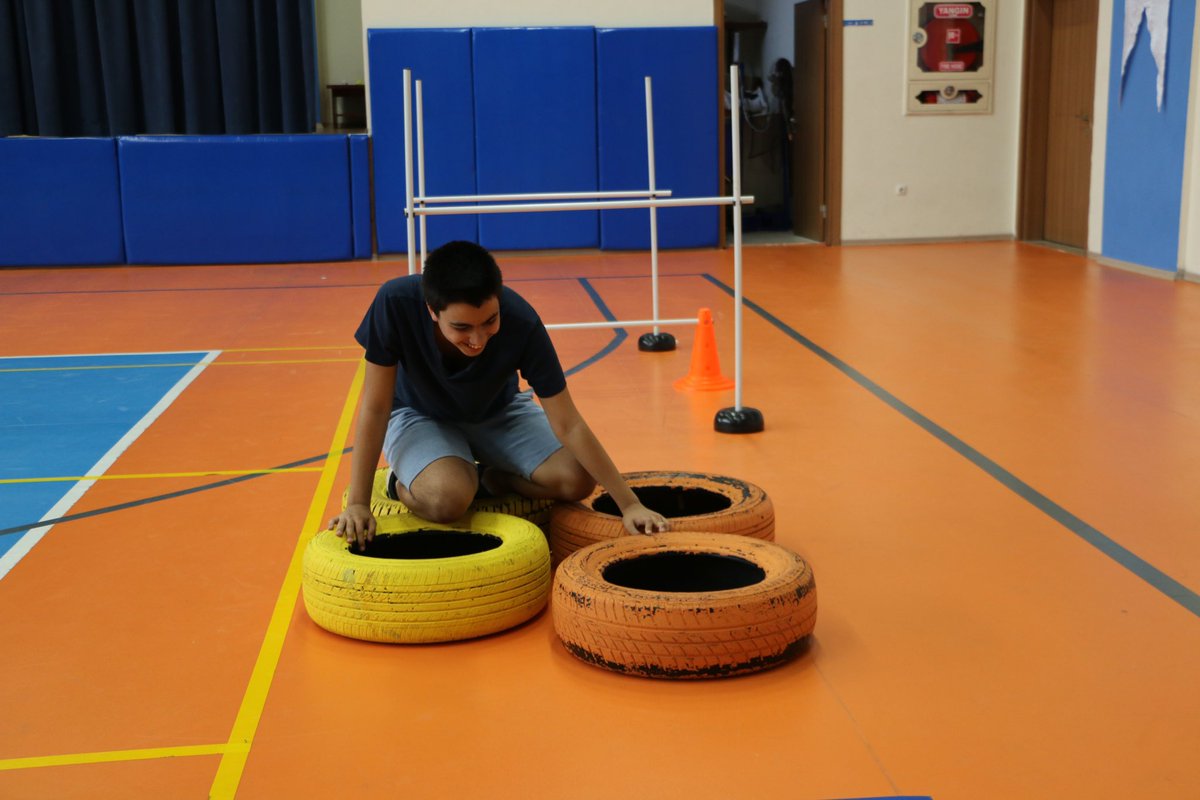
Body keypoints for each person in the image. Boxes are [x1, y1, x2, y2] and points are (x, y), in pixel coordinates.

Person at [327, 240, 670, 550]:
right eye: (461, 328)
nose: (478, 339)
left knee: (576, 480)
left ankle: (493, 477)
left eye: (489, 322)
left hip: (498, 411)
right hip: (419, 414)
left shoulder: (523, 321)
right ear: (432, 311)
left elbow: (569, 423)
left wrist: (629, 503)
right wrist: (358, 502)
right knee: (447, 500)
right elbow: (375, 406)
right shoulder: (394, 302)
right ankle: (398, 481)